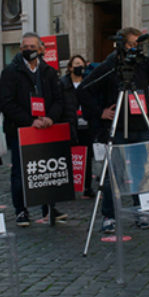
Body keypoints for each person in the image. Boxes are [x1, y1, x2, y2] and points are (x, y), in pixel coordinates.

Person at [78, 27, 149, 233]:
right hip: (117, 127)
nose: (135, 48)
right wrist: (99, 112)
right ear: (121, 45)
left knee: (141, 173)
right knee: (112, 174)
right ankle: (109, 215)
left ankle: (141, 210)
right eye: (131, 44)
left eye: (137, 44)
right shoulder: (110, 65)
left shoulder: (142, 64)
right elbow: (84, 89)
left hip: (141, 125)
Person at [0, 34, 66, 227]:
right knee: (20, 172)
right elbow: (7, 103)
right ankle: (21, 210)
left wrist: (50, 118)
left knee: (46, 169)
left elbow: (58, 99)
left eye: (32, 46)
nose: (28, 50)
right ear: (21, 50)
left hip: (46, 127)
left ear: (41, 49)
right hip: (21, 129)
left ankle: (49, 207)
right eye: (25, 47)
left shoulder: (49, 72)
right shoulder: (10, 72)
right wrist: (30, 121)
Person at [61, 55, 96, 197]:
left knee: (87, 157)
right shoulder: (63, 84)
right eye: (76, 64)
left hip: (86, 125)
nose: (79, 67)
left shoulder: (88, 83)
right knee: (69, 158)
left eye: (81, 64)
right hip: (70, 124)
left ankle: (87, 186)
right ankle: (68, 186)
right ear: (70, 67)